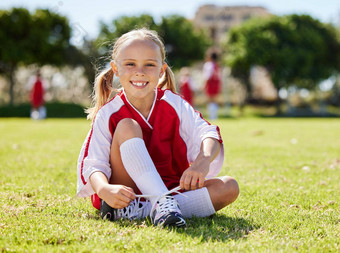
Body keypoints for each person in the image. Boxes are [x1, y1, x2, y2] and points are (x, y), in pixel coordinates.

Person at [77, 28, 239, 228]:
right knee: (128, 126)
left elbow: (208, 133)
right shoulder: (109, 112)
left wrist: (201, 163)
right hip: (127, 194)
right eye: (130, 64)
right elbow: (93, 164)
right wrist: (103, 190)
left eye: (149, 64)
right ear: (115, 69)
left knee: (229, 186)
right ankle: (158, 205)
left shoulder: (174, 104)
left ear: (161, 70)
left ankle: (152, 209)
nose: (140, 71)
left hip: (172, 189)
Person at [203, 51, 222, 120]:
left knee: (210, 100)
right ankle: (215, 116)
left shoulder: (208, 65)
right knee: (214, 100)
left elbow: (207, 77)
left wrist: (204, 85)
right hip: (216, 84)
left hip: (210, 84)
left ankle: (212, 116)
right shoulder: (217, 65)